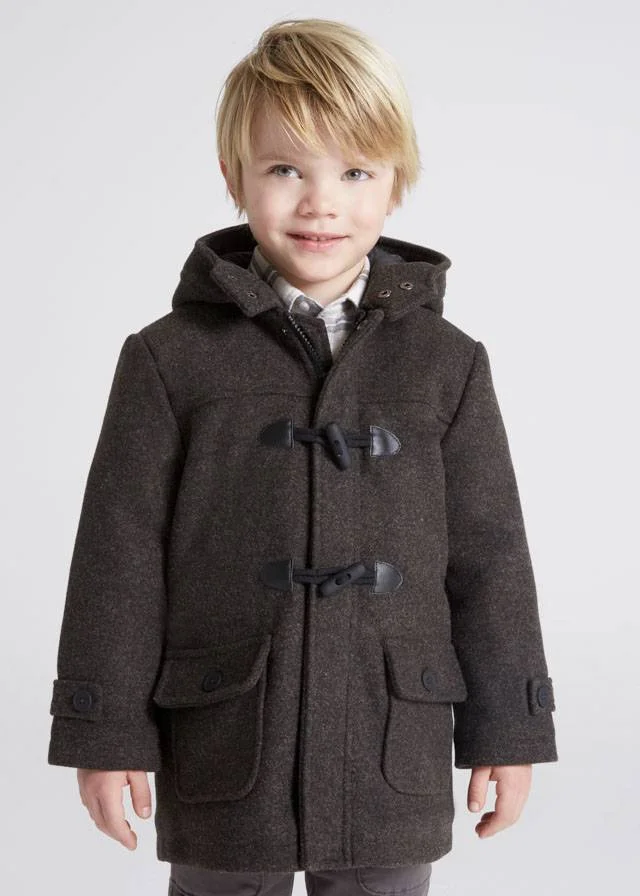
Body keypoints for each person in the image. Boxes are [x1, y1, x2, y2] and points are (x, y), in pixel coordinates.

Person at [47, 17, 558, 896]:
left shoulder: (447, 365)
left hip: (390, 734)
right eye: (286, 169)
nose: (321, 203)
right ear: (234, 177)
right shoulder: (170, 359)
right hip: (226, 731)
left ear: (396, 183)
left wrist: (508, 730)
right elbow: (118, 555)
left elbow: (491, 556)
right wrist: (105, 734)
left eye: (356, 172)